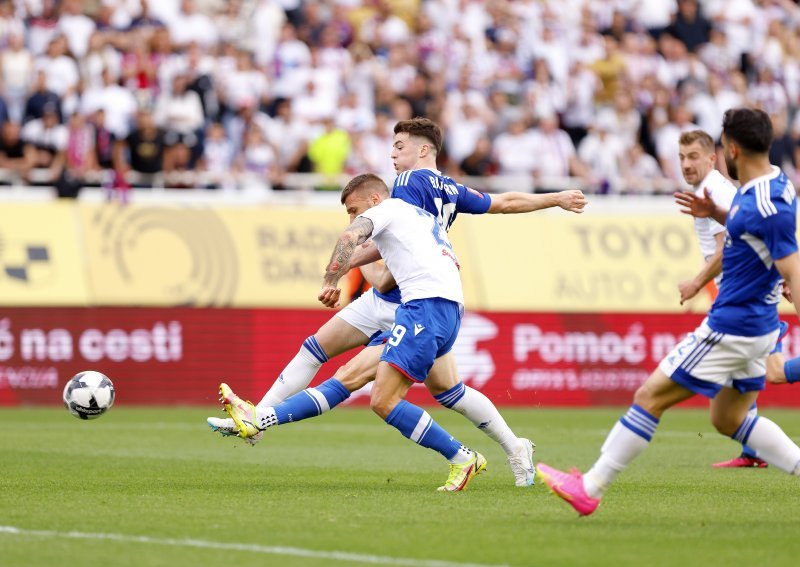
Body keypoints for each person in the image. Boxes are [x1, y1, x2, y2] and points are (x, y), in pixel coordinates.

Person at [209, 117, 587, 488]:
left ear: (424, 151)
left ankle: (260, 420)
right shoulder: (450, 190)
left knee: (358, 382)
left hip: (411, 300)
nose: (392, 154)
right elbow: (503, 202)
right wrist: (554, 198)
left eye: (399, 146)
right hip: (418, 295)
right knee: (442, 389)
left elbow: (380, 247)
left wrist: (338, 270)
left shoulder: (407, 184)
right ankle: (514, 446)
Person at [537, 107, 800, 516]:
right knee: (728, 419)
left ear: (730, 148)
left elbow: (792, 269)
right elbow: (756, 234)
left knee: (649, 396)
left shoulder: (767, 204)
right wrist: (718, 215)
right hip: (757, 327)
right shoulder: (771, 185)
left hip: (733, 325)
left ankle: (590, 486)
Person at [223, 173, 487, 491]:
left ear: (376, 199)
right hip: (430, 308)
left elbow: (351, 240)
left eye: (354, 209)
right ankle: (259, 419)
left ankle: (465, 456)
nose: (353, 217)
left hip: (423, 309)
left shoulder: (392, 210)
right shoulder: (418, 218)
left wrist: (332, 280)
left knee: (385, 397)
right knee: (360, 383)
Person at [675, 129, 769, 468]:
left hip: (740, 293)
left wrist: (697, 282)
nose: (686, 164)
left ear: (712, 158)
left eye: (693, 157)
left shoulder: (713, 191)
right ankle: (753, 453)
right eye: (682, 157)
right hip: (741, 290)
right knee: (745, 373)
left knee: (763, 371)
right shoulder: (707, 190)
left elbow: (727, 249)